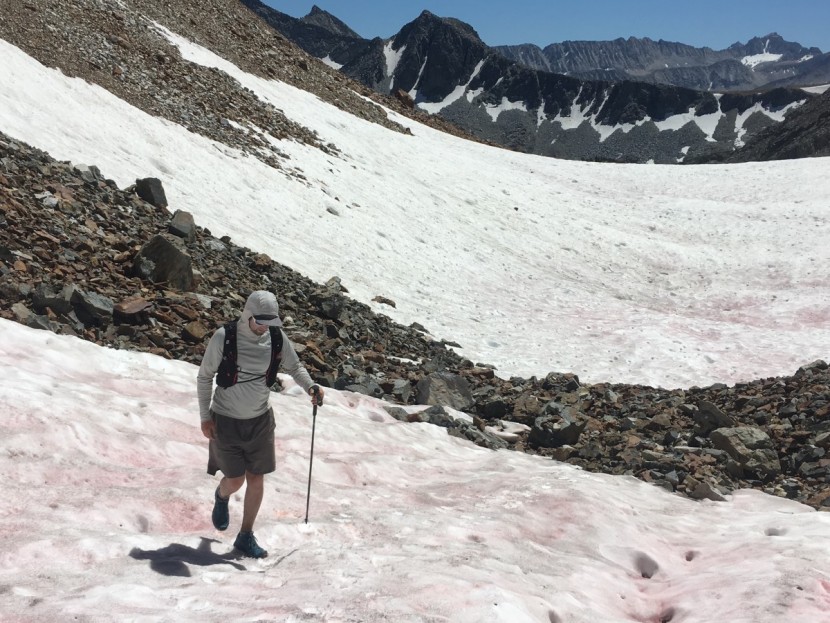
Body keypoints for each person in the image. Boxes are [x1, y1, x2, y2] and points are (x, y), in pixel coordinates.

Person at [197, 290, 323, 558]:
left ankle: (245, 535)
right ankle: (222, 496)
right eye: (260, 321)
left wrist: (310, 386)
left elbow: (295, 366)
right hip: (226, 420)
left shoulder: (276, 338)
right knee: (235, 480)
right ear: (248, 315)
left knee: (256, 478)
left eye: (269, 322)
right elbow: (204, 377)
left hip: (261, 420)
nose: (264, 327)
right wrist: (205, 417)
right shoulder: (224, 337)